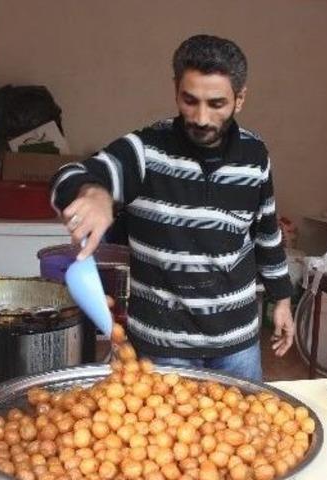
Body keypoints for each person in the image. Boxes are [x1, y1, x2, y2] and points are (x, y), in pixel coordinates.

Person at [50, 34, 294, 381]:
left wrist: (282, 299)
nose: (201, 118)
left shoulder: (255, 156)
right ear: (176, 90)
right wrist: (95, 193)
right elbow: (68, 176)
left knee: (244, 433)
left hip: (237, 345)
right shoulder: (145, 151)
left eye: (217, 104)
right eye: (189, 100)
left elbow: (266, 233)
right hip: (162, 350)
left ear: (240, 99)